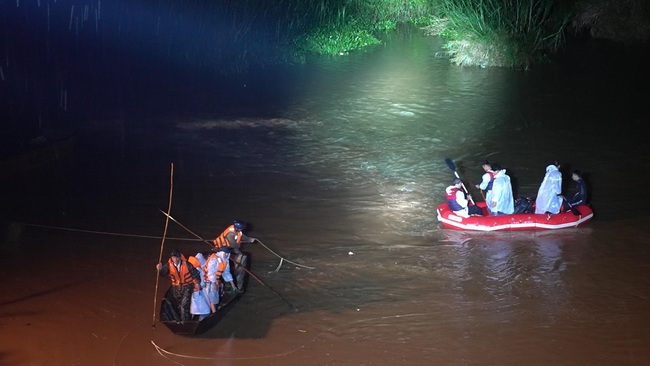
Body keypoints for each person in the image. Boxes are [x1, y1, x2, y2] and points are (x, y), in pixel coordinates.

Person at [156, 249, 202, 322]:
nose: (174, 259)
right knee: (178, 304)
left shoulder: (187, 265)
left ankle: (185, 322)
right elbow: (163, 273)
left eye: (175, 257)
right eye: (173, 257)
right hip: (176, 288)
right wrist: (160, 269)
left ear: (179, 257)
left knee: (184, 305)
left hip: (187, 287)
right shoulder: (169, 265)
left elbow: (195, 274)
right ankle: (180, 318)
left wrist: (197, 283)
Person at [188, 254, 212, 319]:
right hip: (198, 291)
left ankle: (193, 318)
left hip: (197, 290)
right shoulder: (198, 270)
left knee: (195, 307)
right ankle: (200, 320)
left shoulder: (193, 269)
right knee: (204, 310)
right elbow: (199, 282)